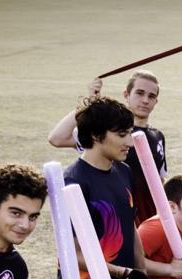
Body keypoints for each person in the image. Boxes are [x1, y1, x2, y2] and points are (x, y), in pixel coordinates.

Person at [56, 96, 151, 279]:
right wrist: (123, 272)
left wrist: (141, 271)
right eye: (121, 134)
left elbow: (129, 224)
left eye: (129, 133)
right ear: (97, 135)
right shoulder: (72, 182)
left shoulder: (123, 171)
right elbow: (74, 254)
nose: (129, 142)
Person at [48, 72, 167, 224]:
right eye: (139, 93)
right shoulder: (105, 131)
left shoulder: (158, 137)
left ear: (156, 101)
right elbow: (57, 138)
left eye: (151, 96)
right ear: (126, 94)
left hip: (146, 221)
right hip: (114, 220)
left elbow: (160, 179)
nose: (145, 100)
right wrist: (88, 105)